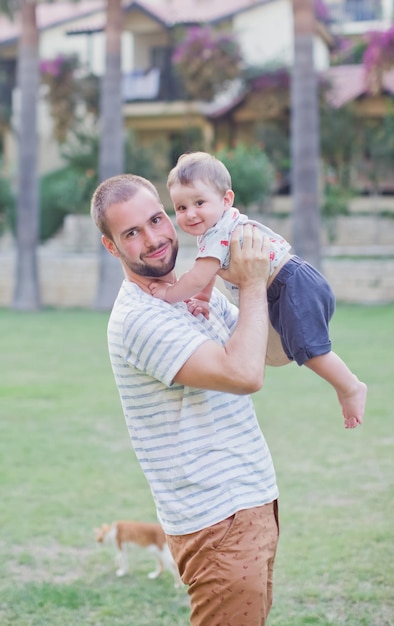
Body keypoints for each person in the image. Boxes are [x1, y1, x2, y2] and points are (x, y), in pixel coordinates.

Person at [90, 173, 281, 626]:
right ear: (111, 247)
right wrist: (252, 287)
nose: (154, 238)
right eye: (131, 232)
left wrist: (244, 278)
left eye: (157, 219)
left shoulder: (193, 294)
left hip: (250, 503)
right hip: (216, 521)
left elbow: (273, 353)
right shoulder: (141, 317)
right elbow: (245, 374)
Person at [150, 152, 367, 429]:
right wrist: (203, 299)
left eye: (199, 203)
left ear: (226, 200)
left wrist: (169, 294)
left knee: (309, 351)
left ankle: (350, 386)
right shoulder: (219, 228)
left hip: (291, 286)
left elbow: (197, 276)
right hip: (291, 284)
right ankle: (346, 385)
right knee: (279, 348)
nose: (190, 213)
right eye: (180, 208)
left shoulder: (219, 232)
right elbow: (208, 271)